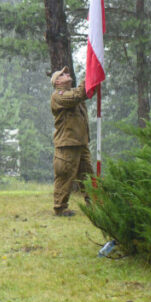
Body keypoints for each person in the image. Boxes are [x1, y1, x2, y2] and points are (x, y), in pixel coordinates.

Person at [50, 66, 92, 217]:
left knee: (88, 176)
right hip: (67, 144)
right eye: (63, 74)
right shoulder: (58, 96)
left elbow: (83, 94)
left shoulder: (73, 94)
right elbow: (77, 96)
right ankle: (60, 208)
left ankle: (94, 205)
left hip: (81, 143)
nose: (67, 74)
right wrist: (90, 75)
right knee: (65, 176)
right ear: (57, 82)